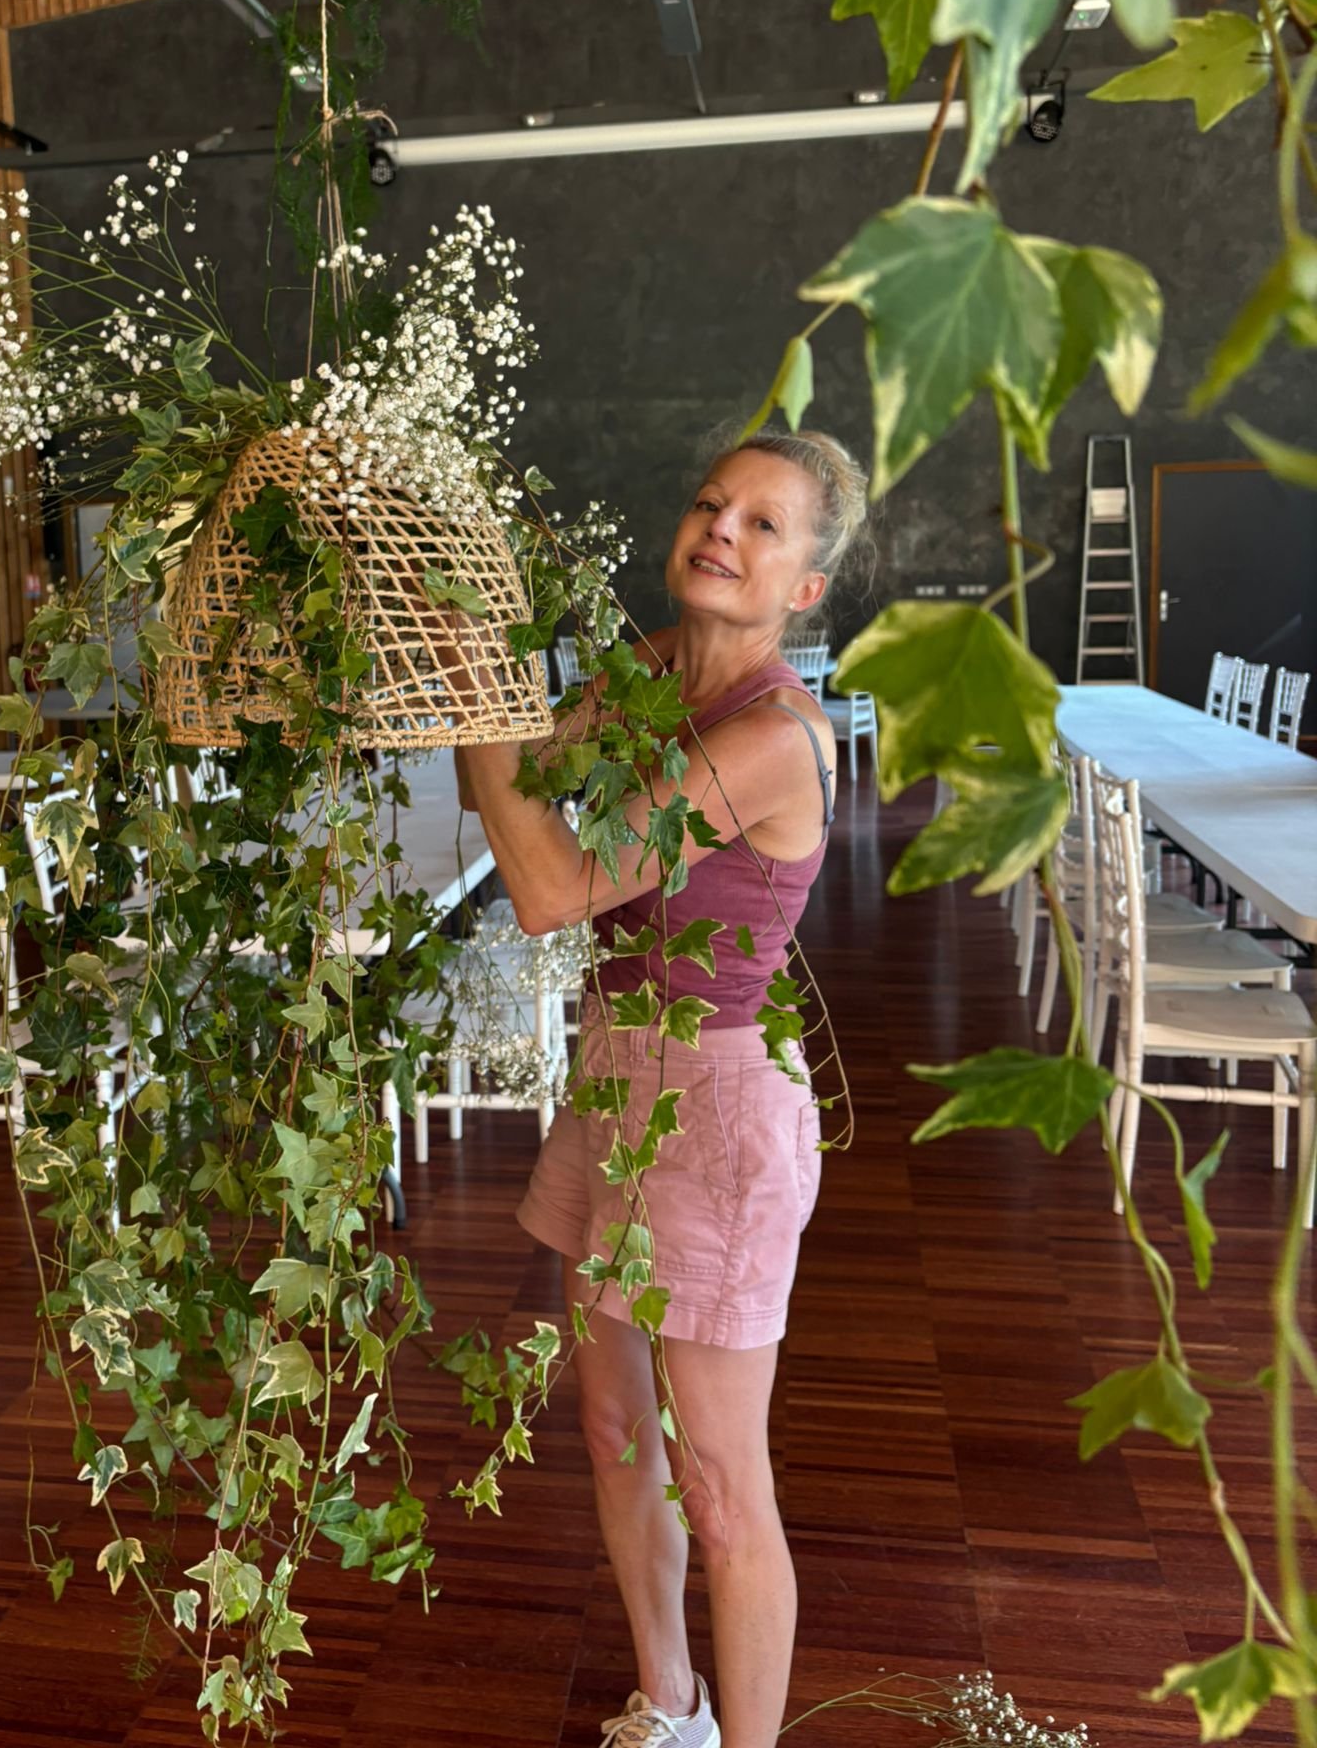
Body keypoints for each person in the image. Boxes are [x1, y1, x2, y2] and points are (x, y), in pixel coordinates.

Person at [451, 429, 868, 1748]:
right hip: (615, 1078)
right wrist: (480, 678)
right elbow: (536, 768)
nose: (723, 531)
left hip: (719, 1114)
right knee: (617, 1421)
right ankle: (670, 1708)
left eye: (764, 525)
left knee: (722, 1479)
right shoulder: (645, 677)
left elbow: (551, 883)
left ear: (805, 587)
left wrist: (473, 710)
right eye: (709, 504)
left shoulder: (774, 739)